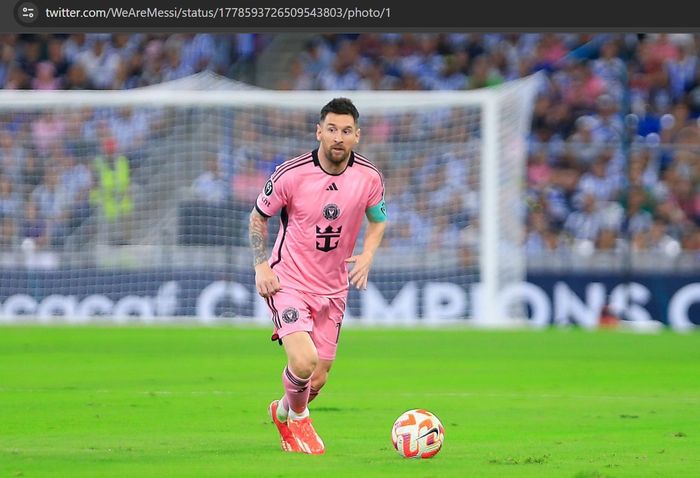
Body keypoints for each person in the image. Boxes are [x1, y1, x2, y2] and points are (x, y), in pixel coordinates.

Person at [248, 97, 387, 455]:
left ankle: (282, 412)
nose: (338, 137)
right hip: (287, 281)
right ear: (318, 132)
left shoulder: (369, 177)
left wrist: (368, 254)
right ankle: (301, 420)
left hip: (334, 287)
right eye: (331, 129)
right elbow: (257, 217)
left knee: (319, 376)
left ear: (357, 136)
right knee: (304, 361)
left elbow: (378, 220)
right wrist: (261, 265)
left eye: (345, 131)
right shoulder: (291, 174)